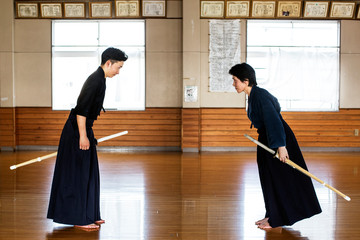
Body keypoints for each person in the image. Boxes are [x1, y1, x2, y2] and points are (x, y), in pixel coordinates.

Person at [229, 63, 322, 230]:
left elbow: (274, 121)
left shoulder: (261, 96)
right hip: (267, 139)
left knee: (279, 179)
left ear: (246, 80)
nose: (233, 83)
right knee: (268, 178)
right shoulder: (253, 95)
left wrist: (281, 146)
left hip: (278, 140)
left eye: (235, 80)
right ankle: (272, 214)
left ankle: (278, 218)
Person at [47, 47, 128, 230]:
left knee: (90, 173)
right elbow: (81, 110)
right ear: (109, 63)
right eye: (119, 67)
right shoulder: (95, 80)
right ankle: (80, 218)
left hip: (84, 130)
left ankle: (90, 214)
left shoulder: (101, 79)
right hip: (76, 131)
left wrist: (89, 135)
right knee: (79, 176)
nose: (119, 71)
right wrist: (83, 136)